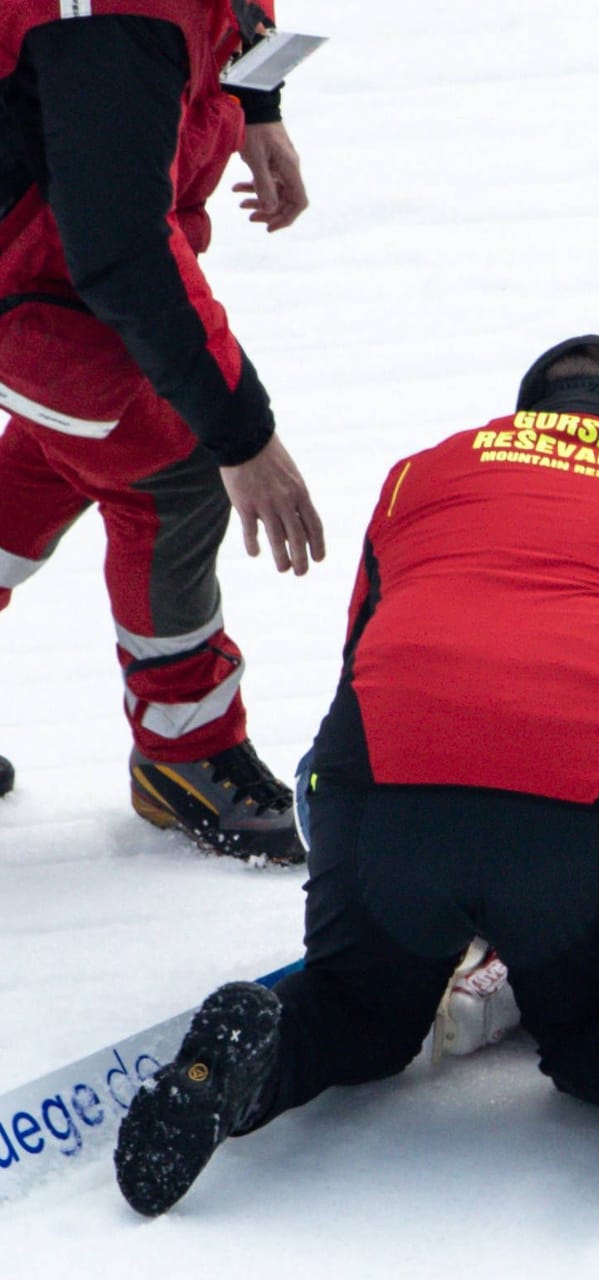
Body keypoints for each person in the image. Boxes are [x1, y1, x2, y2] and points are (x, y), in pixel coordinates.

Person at [111, 336, 599, 1245]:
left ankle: (252, 1047)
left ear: (520, 417)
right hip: (585, 830)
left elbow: (364, 666)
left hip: (381, 796)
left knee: (355, 1015)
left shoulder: (419, 476)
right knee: (596, 1025)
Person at [0, 1, 324, 860]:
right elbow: (121, 250)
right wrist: (242, 437)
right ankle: (184, 754)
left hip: (54, 255)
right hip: (34, 283)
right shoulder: (105, 24)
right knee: (171, 476)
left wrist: (255, 101)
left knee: (69, 448)